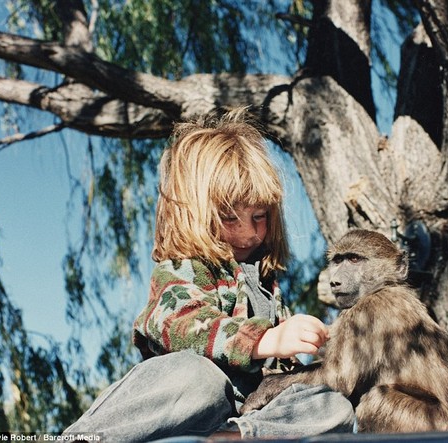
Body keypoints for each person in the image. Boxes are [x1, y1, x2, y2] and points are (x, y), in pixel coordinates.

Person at [63, 108, 355, 442]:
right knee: (197, 378)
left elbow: (281, 371)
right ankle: (86, 437)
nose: (248, 234)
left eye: (259, 216)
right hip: (191, 403)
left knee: (333, 404)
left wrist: (316, 353)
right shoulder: (183, 269)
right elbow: (180, 323)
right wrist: (263, 339)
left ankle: (235, 436)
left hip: (242, 413)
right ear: (195, 213)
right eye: (230, 219)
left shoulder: (265, 285)